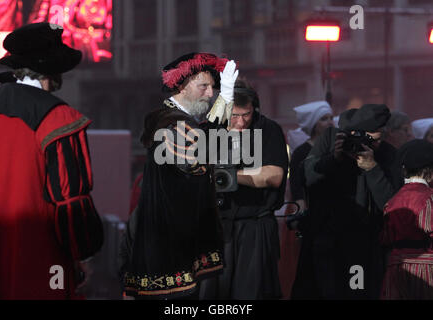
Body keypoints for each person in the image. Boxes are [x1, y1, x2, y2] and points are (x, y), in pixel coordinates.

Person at [0, 22, 104, 299]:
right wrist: (84, 255)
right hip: (41, 260)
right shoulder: (59, 119)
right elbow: (71, 200)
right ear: (54, 70)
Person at [119, 52, 238, 299]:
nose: (209, 93)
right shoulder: (173, 125)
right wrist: (225, 99)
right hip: (170, 244)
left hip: (173, 237)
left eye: (212, 88)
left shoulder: (175, 120)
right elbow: (201, 159)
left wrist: (226, 97)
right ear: (181, 86)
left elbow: (205, 135)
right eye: (204, 86)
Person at [199, 79, 289, 300]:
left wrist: (230, 176)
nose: (240, 122)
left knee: (253, 294)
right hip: (215, 226)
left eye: (246, 115)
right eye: (234, 116)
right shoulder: (208, 131)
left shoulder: (267, 129)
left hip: (255, 225)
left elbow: (274, 176)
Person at [304, 104, 401, 299]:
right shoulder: (332, 139)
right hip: (329, 236)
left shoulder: (387, 154)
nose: (371, 144)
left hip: (367, 242)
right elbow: (308, 178)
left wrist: (373, 168)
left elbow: (391, 204)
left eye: (377, 138)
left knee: (360, 292)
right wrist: (335, 158)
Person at [285, 101, 334, 299]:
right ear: (314, 124)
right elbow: (297, 186)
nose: (330, 122)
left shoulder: (337, 150)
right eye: (324, 119)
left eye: (331, 117)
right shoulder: (301, 152)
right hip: (313, 218)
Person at [380, 139, 433, 299]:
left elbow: (385, 238)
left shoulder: (393, 200)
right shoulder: (429, 198)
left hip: (397, 268)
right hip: (426, 271)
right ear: (430, 172)